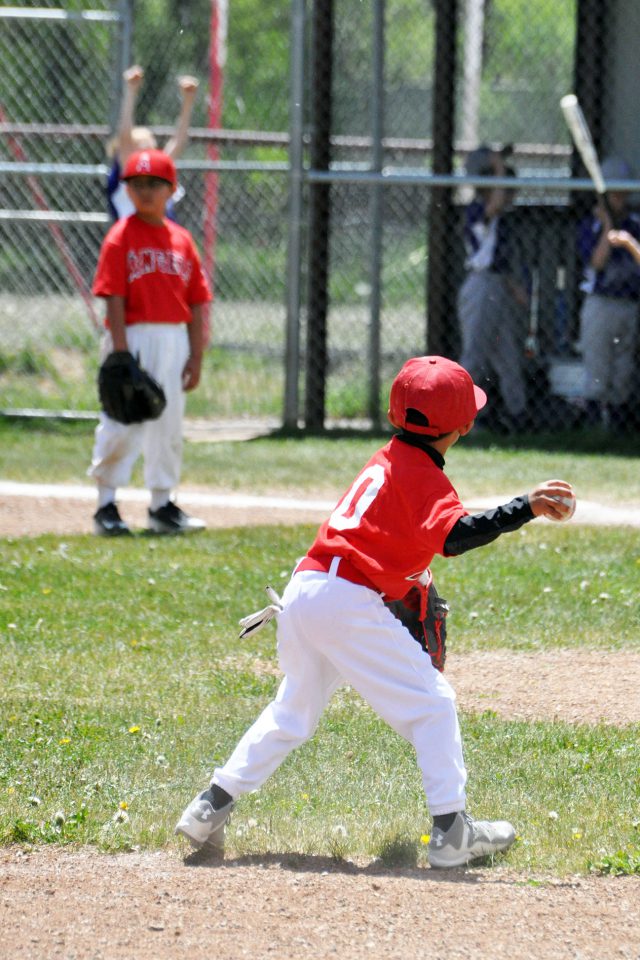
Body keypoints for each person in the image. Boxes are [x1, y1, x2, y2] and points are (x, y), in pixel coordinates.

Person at [175, 355, 574, 868]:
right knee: (434, 705)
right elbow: (455, 536)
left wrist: (409, 579)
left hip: (305, 589)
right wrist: (526, 507)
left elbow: (388, 539)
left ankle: (210, 805)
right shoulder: (423, 476)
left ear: (394, 412)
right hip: (345, 602)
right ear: (465, 425)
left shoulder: (385, 459)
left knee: (292, 712)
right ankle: (452, 830)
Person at [89, 148, 212, 535]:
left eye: (154, 184)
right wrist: (121, 350)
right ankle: (105, 505)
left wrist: (196, 356)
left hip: (174, 339)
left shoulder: (182, 240)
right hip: (134, 336)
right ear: (126, 190)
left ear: (171, 190)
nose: (145, 191)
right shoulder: (120, 236)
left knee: (168, 425)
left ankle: (162, 505)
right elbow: (114, 296)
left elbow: (197, 301)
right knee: (122, 420)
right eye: (137, 184)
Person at [457, 144, 529, 433]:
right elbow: (495, 204)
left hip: (497, 286)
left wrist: (514, 288)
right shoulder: (478, 210)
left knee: (509, 356)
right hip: (480, 286)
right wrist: (498, 166)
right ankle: (462, 420)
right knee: (474, 356)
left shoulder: (501, 218)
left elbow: (500, 261)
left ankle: (518, 415)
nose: (509, 194)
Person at [577, 156, 640, 430]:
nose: (620, 198)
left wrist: (627, 241)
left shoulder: (635, 224)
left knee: (623, 368)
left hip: (629, 303)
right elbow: (597, 262)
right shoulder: (590, 226)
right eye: (615, 193)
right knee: (598, 366)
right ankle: (593, 427)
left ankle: (616, 427)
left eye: (623, 193)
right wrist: (606, 227)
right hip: (600, 304)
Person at [106, 64, 199, 222]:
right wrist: (131, 90)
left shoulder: (158, 171)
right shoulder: (127, 171)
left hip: (160, 241)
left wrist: (188, 101)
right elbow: (125, 137)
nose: (147, 151)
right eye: (140, 145)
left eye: (150, 145)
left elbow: (179, 141)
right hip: (135, 241)